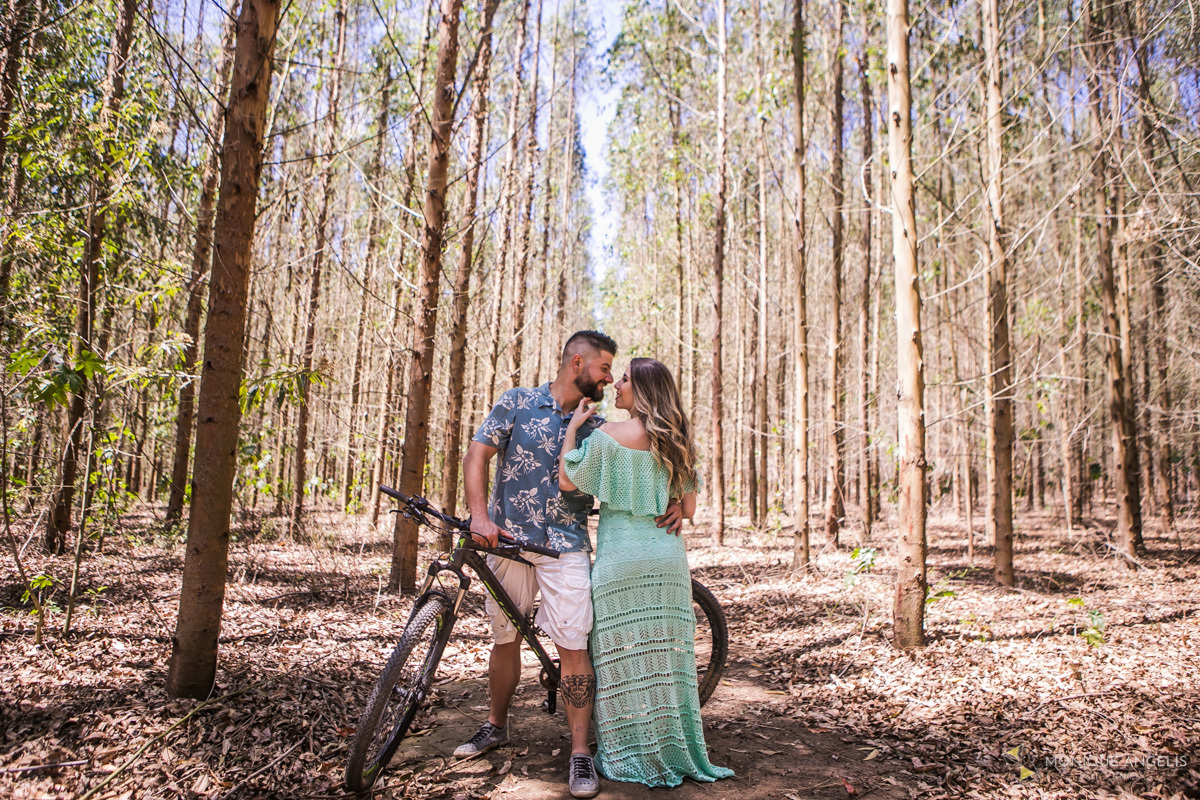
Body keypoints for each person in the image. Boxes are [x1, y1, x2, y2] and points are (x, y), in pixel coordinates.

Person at [455, 330, 623, 799]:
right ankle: (495, 725)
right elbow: (477, 453)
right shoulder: (517, 402)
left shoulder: (599, 427)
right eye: (604, 368)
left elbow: (638, 463)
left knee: (573, 645)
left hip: (565, 546)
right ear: (577, 363)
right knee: (503, 637)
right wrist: (480, 516)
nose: (608, 378)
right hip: (506, 541)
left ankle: (579, 753)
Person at [558, 358, 734, 789]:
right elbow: (688, 509)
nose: (616, 385)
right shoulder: (679, 441)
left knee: (617, 657)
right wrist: (672, 502)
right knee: (665, 660)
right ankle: (670, 745)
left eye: (624, 380)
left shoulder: (606, 436)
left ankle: (624, 750)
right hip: (665, 560)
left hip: (620, 560)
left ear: (643, 390)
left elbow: (567, 481)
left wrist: (572, 428)